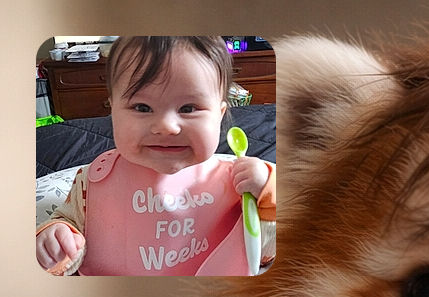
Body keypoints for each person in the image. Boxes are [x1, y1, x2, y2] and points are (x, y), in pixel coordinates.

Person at [36, 36, 276, 276]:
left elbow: (268, 251)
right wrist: (57, 237)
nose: (166, 126)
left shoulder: (238, 182)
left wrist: (267, 194)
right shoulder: (95, 181)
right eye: (142, 107)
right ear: (113, 111)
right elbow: (69, 224)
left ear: (220, 115)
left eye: (188, 108)